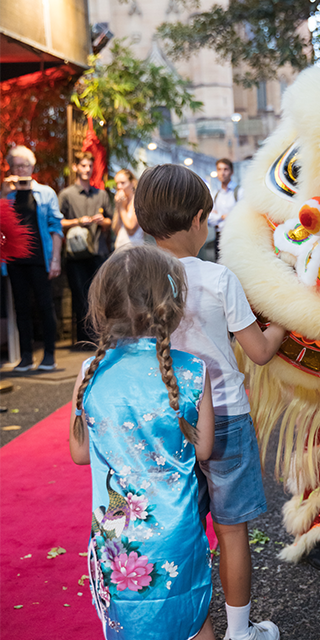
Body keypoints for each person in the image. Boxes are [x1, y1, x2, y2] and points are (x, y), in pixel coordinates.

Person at [135, 164, 285, 640]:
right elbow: (259, 353)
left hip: (167, 423)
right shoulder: (220, 279)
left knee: (182, 532)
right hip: (226, 420)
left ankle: (197, 629)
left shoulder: (137, 281)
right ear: (199, 219)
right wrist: (282, 323)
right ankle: (240, 633)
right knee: (232, 532)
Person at [69, 244, 216, 640]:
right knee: (196, 616)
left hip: (117, 541)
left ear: (104, 307)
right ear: (172, 305)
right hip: (179, 530)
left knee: (128, 623)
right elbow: (204, 451)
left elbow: (80, 454)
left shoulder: (89, 371)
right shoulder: (191, 371)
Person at [1, 146, 63, 371]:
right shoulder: (7, 194)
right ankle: (26, 356)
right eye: (16, 165)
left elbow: (56, 228)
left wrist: (55, 259)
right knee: (21, 308)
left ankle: (49, 355)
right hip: (14, 261)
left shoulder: (46, 193)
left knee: (45, 306)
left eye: (24, 165)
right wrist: (3, 193)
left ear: (32, 166)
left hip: (40, 259)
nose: (20, 169)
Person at [59, 152, 112, 347]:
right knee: (80, 296)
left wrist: (101, 221)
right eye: (83, 166)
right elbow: (57, 223)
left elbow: (110, 222)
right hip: (76, 253)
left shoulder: (102, 195)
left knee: (99, 296)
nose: (87, 170)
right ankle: (84, 340)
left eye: (89, 166)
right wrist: (78, 222)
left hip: (98, 251)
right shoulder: (66, 195)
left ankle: (101, 337)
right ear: (75, 168)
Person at [199, 158, 242, 262]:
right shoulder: (215, 194)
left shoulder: (239, 192)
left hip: (236, 237)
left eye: (225, 169)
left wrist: (218, 216)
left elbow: (241, 216)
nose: (222, 173)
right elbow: (209, 219)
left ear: (231, 172)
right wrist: (224, 216)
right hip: (219, 237)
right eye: (219, 169)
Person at [113, 169, 144, 249]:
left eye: (122, 183)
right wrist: (118, 206)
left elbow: (131, 229)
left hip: (134, 250)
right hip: (120, 249)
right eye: (117, 183)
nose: (119, 186)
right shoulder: (122, 202)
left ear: (132, 183)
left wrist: (122, 208)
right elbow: (116, 230)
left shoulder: (137, 202)